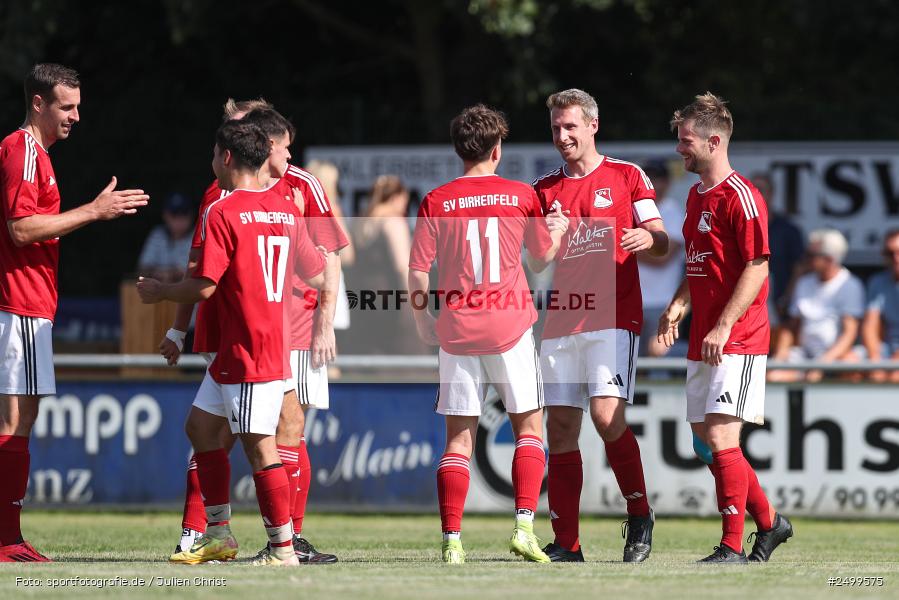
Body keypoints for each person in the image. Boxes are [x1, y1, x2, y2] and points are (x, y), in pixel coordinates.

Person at [162, 101, 346, 564]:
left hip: (253, 344)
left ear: (227, 156)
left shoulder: (229, 208)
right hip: (252, 342)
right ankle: (214, 531)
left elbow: (202, 282)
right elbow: (323, 267)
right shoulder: (276, 209)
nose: (287, 155)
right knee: (204, 428)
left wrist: (158, 295)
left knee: (266, 442)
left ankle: (283, 545)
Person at [0, 63, 148, 562]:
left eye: (78, 106)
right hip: (16, 302)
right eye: (67, 106)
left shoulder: (39, 155)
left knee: (23, 418)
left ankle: (8, 537)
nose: (76, 116)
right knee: (13, 418)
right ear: (39, 104)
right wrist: (93, 211)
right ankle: (5, 539)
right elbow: (21, 229)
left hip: (32, 305)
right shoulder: (21, 150)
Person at [408, 104, 565, 564]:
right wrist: (554, 231)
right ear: (497, 150)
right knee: (529, 429)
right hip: (510, 327)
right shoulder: (520, 195)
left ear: (460, 150)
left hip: (457, 329)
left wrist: (423, 322)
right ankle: (522, 528)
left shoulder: (436, 200)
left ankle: (452, 541)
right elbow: (539, 261)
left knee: (458, 439)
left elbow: (418, 271)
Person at [533, 89, 668, 563]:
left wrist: (645, 237)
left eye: (570, 126)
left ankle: (639, 515)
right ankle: (567, 543)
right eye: (555, 128)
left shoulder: (627, 176)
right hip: (562, 320)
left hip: (612, 315)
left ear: (593, 125)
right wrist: (547, 237)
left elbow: (662, 239)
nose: (562, 136)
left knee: (607, 416)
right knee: (562, 427)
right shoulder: (544, 188)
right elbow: (534, 262)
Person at [658, 92, 792, 563]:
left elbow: (757, 266)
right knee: (703, 442)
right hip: (704, 336)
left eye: (686, 140)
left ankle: (731, 546)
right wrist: (678, 303)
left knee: (720, 439)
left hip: (738, 337)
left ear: (714, 142)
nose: (680, 148)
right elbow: (701, 264)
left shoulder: (743, 196)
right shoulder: (695, 197)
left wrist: (723, 324)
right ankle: (771, 522)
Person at [769, 228, 864, 383]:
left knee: (852, 366)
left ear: (829, 259)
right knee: (774, 375)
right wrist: (780, 355)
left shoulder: (851, 285)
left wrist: (823, 363)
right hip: (804, 355)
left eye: (811, 255)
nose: (805, 259)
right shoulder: (803, 283)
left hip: (838, 356)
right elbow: (792, 326)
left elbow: (849, 333)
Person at [350, 175, 424, 354]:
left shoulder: (362, 222)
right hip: (392, 299)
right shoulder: (393, 221)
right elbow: (402, 265)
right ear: (396, 197)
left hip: (364, 299)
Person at [637, 160, 685, 357]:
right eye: (647, 179)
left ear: (667, 183)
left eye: (656, 179)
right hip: (632, 300)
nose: (651, 184)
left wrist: (622, 249)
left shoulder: (672, 211)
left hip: (662, 302)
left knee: (658, 361)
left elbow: (662, 257)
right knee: (629, 362)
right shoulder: (634, 210)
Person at [751, 172, 805, 325]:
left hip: (776, 304)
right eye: (750, 190)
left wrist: (787, 298)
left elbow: (799, 267)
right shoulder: (735, 227)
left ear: (771, 194)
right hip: (745, 303)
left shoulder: (788, 229)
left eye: (760, 189)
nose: (754, 194)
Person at [862, 228, 899, 382]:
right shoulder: (878, 282)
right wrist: (875, 361)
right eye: (891, 253)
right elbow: (870, 325)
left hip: (894, 358)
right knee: (849, 364)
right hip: (886, 350)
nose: (896, 258)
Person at [137, 192, 195, 282]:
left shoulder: (199, 236)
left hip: (188, 293)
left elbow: (197, 273)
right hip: (158, 291)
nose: (179, 219)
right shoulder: (157, 234)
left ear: (191, 215)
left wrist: (171, 274)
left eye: (184, 213)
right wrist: (156, 273)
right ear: (165, 215)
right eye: (174, 214)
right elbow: (142, 269)